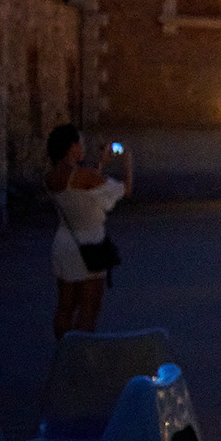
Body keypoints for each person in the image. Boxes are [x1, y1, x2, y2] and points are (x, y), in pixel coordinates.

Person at [44, 123, 132, 340]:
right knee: (89, 308)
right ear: (72, 146)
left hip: (64, 243)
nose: (83, 147)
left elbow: (84, 194)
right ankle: (81, 358)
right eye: (80, 143)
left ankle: (64, 353)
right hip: (90, 245)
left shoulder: (52, 176)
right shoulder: (85, 175)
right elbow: (124, 190)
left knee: (65, 305)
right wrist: (127, 161)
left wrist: (100, 165)